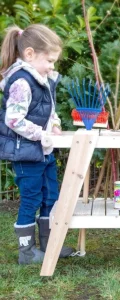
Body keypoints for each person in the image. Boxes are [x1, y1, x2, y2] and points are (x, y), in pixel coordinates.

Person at [0, 24, 74, 264]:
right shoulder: (22, 82)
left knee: (50, 196)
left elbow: (49, 109)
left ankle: (49, 244)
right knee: (31, 199)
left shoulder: (43, 79)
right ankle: (27, 252)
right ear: (30, 54)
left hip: (43, 151)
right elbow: (13, 119)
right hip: (27, 154)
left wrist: (55, 124)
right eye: (50, 60)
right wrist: (42, 134)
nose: (53, 66)